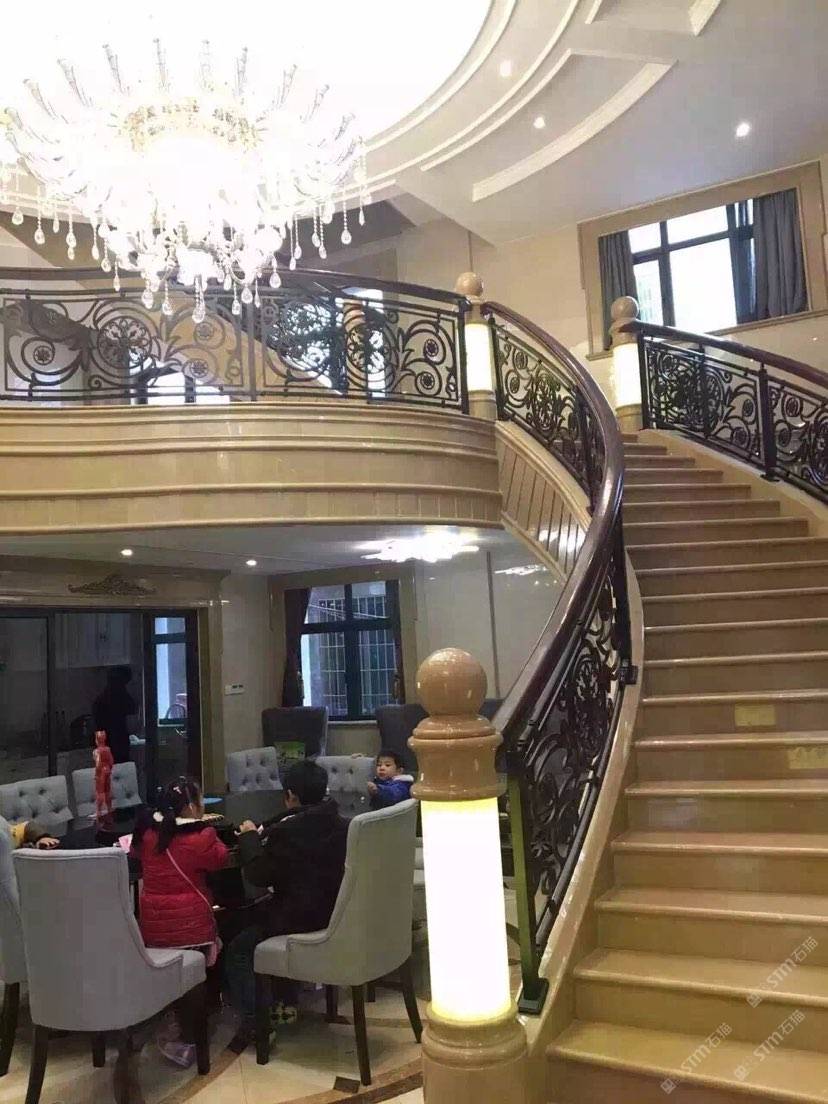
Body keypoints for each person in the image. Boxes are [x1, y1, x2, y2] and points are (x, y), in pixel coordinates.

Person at [225, 759, 348, 1051]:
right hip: (334, 909)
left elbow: (258, 875)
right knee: (250, 918)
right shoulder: (339, 822)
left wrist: (250, 839)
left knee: (238, 946)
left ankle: (256, 1020)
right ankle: (284, 998)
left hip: (298, 914)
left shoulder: (288, 832)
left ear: (290, 795)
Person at [131, 777, 229, 1068]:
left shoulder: (147, 833)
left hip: (153, 929)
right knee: (221, 936)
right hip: (193, 931)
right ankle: (200, 1018)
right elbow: (221, 859)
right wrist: (209, 830)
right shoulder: (201, 838)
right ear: (191, 806)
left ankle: (174, 1013)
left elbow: (135, 853)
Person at [92, 666, 137, 765]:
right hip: (117, 744)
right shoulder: (120, 696)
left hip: (107, 743)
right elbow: (132, 714)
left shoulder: (101, 698)